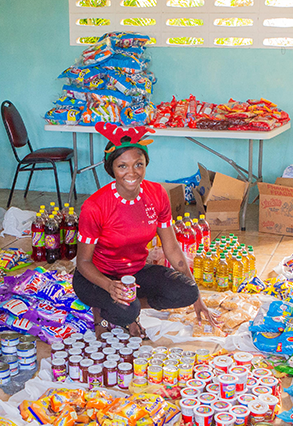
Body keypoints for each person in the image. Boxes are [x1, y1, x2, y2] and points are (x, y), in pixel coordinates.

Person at [72, 123, 213, 336]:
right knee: (126, 312)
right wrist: (110, 286)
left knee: (187, 291)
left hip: (134, 274)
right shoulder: (95, 206)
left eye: (138, 164)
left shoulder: (157, 194)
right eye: (122, 166)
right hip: (96, 277)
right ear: (112, 169)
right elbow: (83, 263)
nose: (132, 172)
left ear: (146, 164)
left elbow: (172, 249)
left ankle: (130, 305)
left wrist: (197, 299)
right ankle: (103, 311)